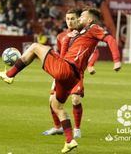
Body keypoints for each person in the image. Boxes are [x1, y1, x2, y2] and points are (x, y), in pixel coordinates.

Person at [0, 7, 121, 153]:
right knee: (56, 105)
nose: (78, 19)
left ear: (89, 20)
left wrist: (116, 60)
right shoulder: (76, 34)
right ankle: (69, 140)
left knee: (35, 46)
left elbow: (110, 38)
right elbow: (64, 54)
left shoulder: (93, 28)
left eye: (81, 17)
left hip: (67, 70)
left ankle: (9, 75)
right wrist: (68, 38)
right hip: (71, 77)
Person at [42, 8, 100, 138]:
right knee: (52, 100)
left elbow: (95, 51)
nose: (70, 21)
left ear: (79, 19)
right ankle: (58, 127)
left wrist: (90, 65)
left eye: (73, 18)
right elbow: (59, 55)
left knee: (75, 99)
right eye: (67, 19)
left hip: (76, 73)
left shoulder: (85, 33)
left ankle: (77, 129)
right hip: (61, 70)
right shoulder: (61, 36)